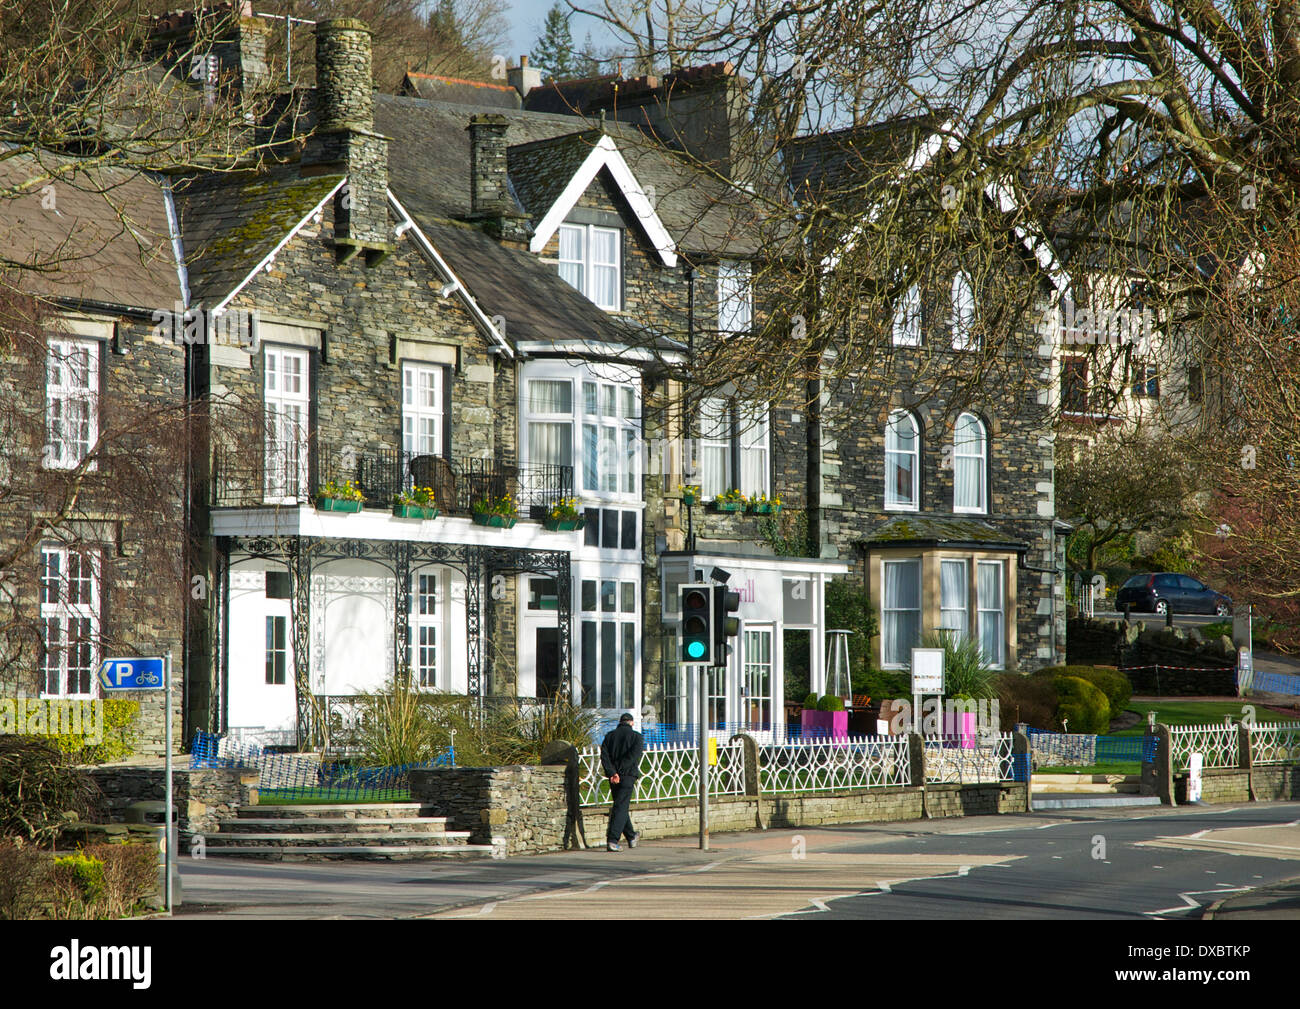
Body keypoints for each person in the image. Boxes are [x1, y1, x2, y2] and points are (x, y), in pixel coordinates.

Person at [600, 712, 643, 851]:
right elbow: (633, 756)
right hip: (627, 775)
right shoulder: (636, 737)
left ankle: (631, 836)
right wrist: (620, 771)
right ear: (631, 723)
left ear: (620, 722)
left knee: (620, 806)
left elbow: (604, 756)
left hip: (614, 777)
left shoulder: (609, 736)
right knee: (621, 807)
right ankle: (613, 840)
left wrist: (613, 772)